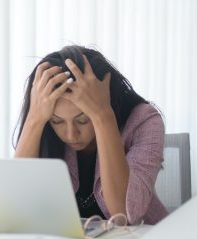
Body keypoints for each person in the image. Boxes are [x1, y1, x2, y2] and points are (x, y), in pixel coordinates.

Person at [14, 45, 168, 225]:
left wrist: (102, 116)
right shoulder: (43, 125)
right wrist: (35, 118)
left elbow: (123, 214)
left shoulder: (144, 120)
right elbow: (17, 204)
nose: (71, 134)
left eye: (83, 120)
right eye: (57, 121)